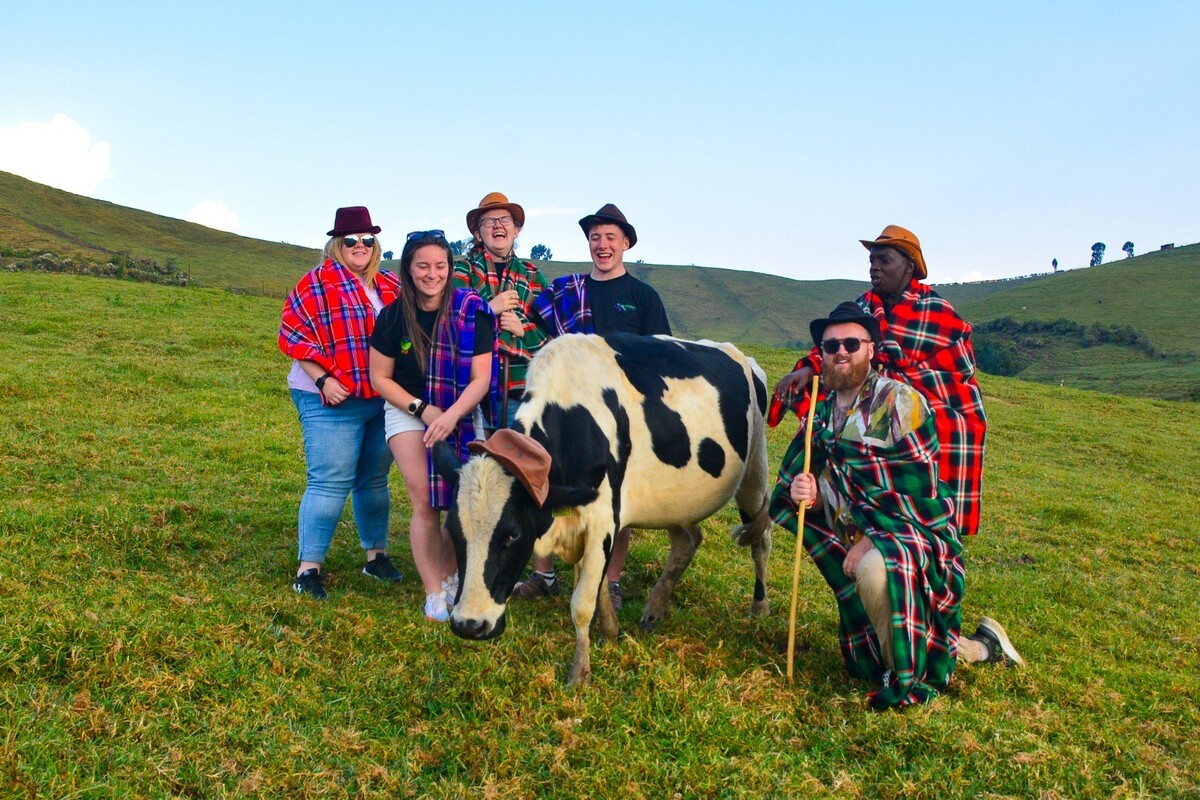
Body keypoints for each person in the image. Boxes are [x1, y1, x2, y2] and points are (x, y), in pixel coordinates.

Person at [769, 302, 1022, 710]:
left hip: (918, 536)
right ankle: (979, 647)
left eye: (852, 342)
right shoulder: (819, 411)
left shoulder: (899, 403)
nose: (840, 351)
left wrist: (871, 541)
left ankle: (906, 673)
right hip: (854, 533)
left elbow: (920, 499)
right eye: (830, 344)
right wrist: (808, 493)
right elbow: (816, 485)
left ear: (872, 349)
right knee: (876, 597)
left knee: (873, 570)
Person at [772, 225, 988, 538]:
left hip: (918, 402)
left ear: (909, 266)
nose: (874, 267)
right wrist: (808, 369)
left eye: (884, 260)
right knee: (830, 422)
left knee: (923, 425)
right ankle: (847, 510)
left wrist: (893, 381)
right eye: (872, 260)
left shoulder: (937, 312)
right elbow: (838, 348)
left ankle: (923, 521)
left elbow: (957, 371)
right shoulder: (862, 306)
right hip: (867, 398)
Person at [516, 203, 671, 609]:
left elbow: (659, 357)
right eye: (595, 238)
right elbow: (536, 330)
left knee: (616, 497)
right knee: (542, 484)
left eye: (610, 238)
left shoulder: (643, 296)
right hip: (566, 410)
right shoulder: (566, 291)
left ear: (626, 244)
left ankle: (612, 580)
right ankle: (543, 573)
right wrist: (519, 327)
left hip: (623, 413)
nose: (602, 246)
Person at [369, 230, 498, 622]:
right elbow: (380, 378)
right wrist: (422, 409)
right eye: (422, 265)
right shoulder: (393, 316)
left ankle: (453, 576)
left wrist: (450, 415)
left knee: (462, 503)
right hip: (408, 409)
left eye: (440, 265)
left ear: (450, 268)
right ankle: (433, 593)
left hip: (461, 409)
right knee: (424, 498)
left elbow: (480, 379)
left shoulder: (472, 311)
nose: (432, 273)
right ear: (408, 269)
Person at [279, 206, 403, 600]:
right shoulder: (315, 283)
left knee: (374, 478)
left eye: (367, 240)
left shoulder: (389, 285)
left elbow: (406, 337)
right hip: (329, 394)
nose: (360, 247)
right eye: (351, 240)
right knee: (330, 479)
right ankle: (308, 569)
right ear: (336, 244)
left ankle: (375, 557)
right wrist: (324, 378)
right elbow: (293, 335)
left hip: (380, 397)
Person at [451, 192, 550, 429]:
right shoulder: (462, 269)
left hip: (522, 392)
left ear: (516, 230)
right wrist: (488, 309)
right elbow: (447, 321)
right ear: (477, 233)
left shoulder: (532, 275)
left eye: (504, 219)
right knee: (473, 463)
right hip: (469, 392)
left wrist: (523, 329)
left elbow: (554, 339)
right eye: (489, 221)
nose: (497, 225)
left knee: (520, 463)